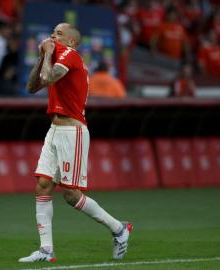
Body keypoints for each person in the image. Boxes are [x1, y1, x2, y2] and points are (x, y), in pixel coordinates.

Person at [18, 23, 132, 263]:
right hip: (54, 129)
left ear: (71, 41)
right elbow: (31, 87)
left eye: (58, 34)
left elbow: (48, 79)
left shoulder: (70, 56)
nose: (52, 35)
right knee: (43, 185)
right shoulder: (54, 58)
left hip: (73, 132)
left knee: (70, 194)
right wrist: (41, 56)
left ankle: (119, 229)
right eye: (52, 32)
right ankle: (46, 249)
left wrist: (48, 53)